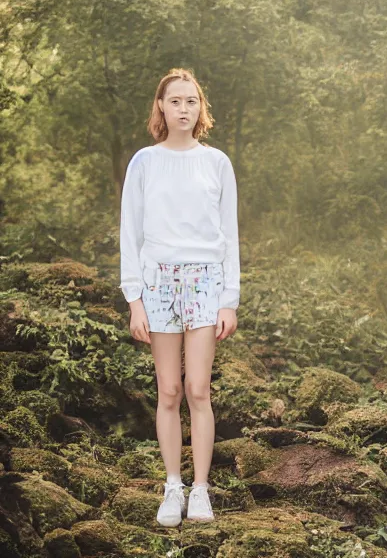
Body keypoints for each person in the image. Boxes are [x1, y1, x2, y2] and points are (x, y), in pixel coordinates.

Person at [119, 68, 240, 526]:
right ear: (161, 107)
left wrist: (229, 297)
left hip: (206, 280)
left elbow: (229, 234)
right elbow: (130, 233)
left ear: (201, 108)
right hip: (158, 282)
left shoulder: (217, 163)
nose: (184, 109)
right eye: (175, 101)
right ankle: (173, 486)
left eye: (192, 101)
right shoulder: (144, 162)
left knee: (198, 389)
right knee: (168, 390)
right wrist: (134, 299)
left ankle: (202, 490)